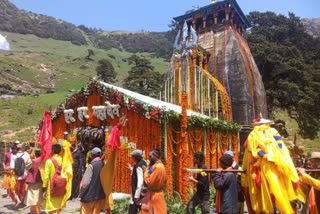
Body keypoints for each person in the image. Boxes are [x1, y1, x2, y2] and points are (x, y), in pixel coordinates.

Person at [241, 118, 305, 214]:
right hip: (267, 165)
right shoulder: (254, 134)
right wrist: (268, 155)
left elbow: (255, 150)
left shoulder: (256, 134)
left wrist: (271, 154)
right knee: (273, 188)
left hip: (272, 164)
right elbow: (255, 149)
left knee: (273, 189)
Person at [140, 148, 167, 214]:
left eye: (150, 156)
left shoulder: (158, 167)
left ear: (156, 156)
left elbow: (149, 182)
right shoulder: (157, 166)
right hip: (154, 195)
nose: (149, 158)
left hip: (154, 197)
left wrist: (145, 171)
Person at [79, 147, 105, 214]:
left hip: (89, 196)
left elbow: (85, 183)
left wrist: (81, 193)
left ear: (92, 155)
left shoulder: (91, 165)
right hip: (99, 196)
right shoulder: (103, 164)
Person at [42, 143, 65, 214]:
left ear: (52, 150)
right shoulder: (63, 160)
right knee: (59, 205)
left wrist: (44, 188)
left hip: (52, 187)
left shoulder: (49, 161)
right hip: (62, 185)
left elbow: (46, 176)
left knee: (51, 206)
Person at [10, 143, 32, 207]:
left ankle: (18, 199)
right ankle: (23, 200)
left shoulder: (13, 155)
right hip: (24, 174)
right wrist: (26, 169)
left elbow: (12, 166)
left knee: (16, 188)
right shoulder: (26, 154)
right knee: (24, 187)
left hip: (16, 175)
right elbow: (30, 164)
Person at [127, 149, 147, 214]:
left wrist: (136, 195)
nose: (132, 158)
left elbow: (140, 181)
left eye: (133, 157)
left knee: (133, 210)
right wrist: (132, 169)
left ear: (136, 157)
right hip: (143, 192)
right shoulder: (143, 163)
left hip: (138, 193)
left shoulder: (138, 166)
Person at [25, 148, 43, 214]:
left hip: (33, 180)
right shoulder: (44, 160)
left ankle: (35, 211)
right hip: (41, 180)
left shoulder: (33, 161)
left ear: (35, 154)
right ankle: (38, 210)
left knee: (33, 197)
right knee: (39, 196)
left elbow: (27, 167)